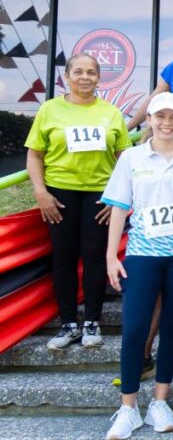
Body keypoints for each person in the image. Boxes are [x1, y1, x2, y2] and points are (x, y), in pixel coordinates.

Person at [101, 93, 173, 440]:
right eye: (161, 117)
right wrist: (112, 255)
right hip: (142, 254)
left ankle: (161, 400)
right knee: (135, 329)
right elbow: (118, 208)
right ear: (150, 119)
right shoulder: (131, 157)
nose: (167, 123)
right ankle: (128, 407)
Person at [26, 54, 130, 351]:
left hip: (100, 194)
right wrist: (40, 193)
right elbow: (35, 154)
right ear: (67, 75)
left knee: (95, 256)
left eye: (92, 72)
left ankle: (92, 322)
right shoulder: (49, 109)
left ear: (99, 77)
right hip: (59, 194)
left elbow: (124, 158)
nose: (85, 77)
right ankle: (68, 323)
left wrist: (118, 197)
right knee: (64, 257)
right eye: (79, 72)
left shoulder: (111, 112)